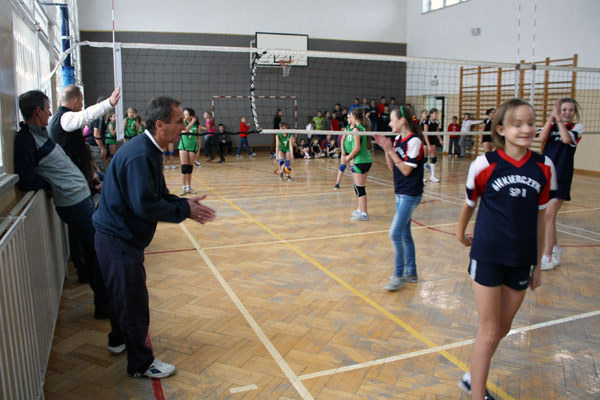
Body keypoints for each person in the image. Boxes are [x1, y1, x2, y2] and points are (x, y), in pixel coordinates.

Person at [92, 96, 216, 379]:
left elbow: (157, 195)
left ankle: (118, 339)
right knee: (133, 301)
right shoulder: (140, 155)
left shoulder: (148, 149)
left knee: (122, 294)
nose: (183, 126)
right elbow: (145, 205)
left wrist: (184, 205)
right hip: (117, 239)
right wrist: (185, 210)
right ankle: (140, 364)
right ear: (160, 125)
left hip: (116, 236)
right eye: (178, 121)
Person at [455, 99, 556, 400]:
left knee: (503, 327)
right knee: (488, 332)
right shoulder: (484, 164)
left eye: (531, 123)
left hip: (521, 258)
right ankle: (476, 392)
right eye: (517, 124)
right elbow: (469, 204)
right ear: (500, 129)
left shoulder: (544, 167)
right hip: (488, 255)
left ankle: (471, 376)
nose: (526, 129)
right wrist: (460, 234)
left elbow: (540, 217)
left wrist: (538, 264)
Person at [15, 89, 119, 318]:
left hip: (78, 197)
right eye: (47, 108)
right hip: (74, 202)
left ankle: (104, 300)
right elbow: (26, 179)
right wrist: (48, 185)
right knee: (95, 251)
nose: (50, 112)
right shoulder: (27, 139)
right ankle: (104, 306)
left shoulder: (40, 133)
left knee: (93, 249)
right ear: (37, 111)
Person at [373, 105, 425, 291]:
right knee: (404, 233)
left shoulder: (414, 141)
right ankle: (411, 272)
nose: (389, 123)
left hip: (411, 194)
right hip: (400, 192)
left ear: (402, 121)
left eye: (392, 120)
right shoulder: (397, 140)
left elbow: (406, 170)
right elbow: (393, 168)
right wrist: (387, 150)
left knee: (394, 233)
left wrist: (391, 150)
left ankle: (398, 275)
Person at [537, 98, 583, 271]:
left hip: (562, 177)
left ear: (574, 112)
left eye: (571, 110)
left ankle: (547, 256)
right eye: (564, 110)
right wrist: (552, 118)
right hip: (546, 176)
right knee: (547, 217)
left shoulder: (577, 128)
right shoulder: (551, 126)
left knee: (549, 215)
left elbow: (565, 139)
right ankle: (554, 249)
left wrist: (558, 120)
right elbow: (541, 138)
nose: (567, 113)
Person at [343, 108, 372, 221]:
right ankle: (360, 209)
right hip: (365, 160)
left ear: (354, 117)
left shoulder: (356, 129)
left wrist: (348, 158)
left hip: (361, 160)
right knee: (358, 187)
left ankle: (364, 213)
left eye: (350, 116)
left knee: (360, 188)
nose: (349, 118)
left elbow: (356, 148)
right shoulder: (362, 128)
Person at [178, 107, 200, 195]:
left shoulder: (197, 125)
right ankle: (183, 187)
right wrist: (192, 122)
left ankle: (188, 187)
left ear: (191, 116)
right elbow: (185, 130)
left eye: (186, 114)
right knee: (184, 168)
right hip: (183, 146)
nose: (185, 116)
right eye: (184, 114)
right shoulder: (182, 122)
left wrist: (198, 149)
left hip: (192, 147)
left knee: (190, 168)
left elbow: (199, 138)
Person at [423, 108, 443, 182]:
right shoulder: (427, 122)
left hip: (433, 141)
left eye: (437, 114)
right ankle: (422, 176)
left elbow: (437, 131)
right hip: (426, 141)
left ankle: (432, 176)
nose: (437, 115)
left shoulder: (437, 122)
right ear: (431, 114)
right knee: (424, 159)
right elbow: (425, 134)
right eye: (435, 114)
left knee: (433, 158)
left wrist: (440, 139)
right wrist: (428, 145)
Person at [88, 96, 108, 172]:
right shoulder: (99, 116)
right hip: (96, 147)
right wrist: (102, 148)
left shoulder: (95, 114)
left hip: (94, 145)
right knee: (101, 168)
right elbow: (96, 133)